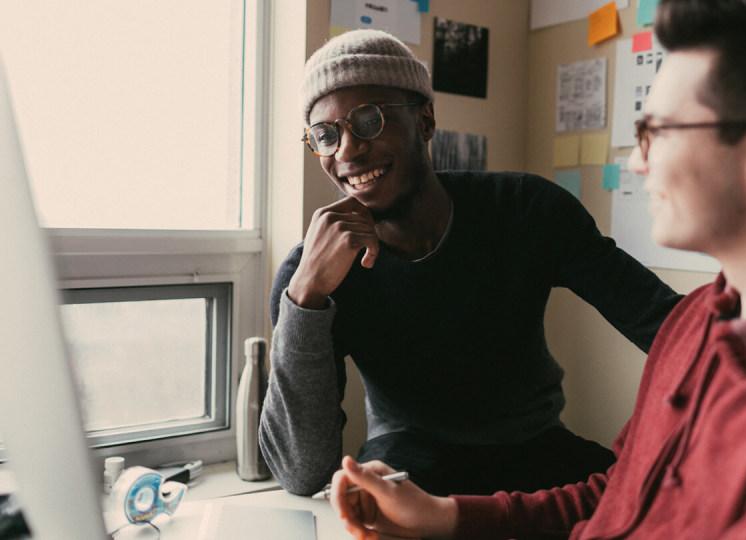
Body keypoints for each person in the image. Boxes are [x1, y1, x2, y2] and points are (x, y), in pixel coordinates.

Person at [328, 1, 746, 538]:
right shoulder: (696, 324)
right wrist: (449, 516)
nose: (636, 164)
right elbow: (619, 494)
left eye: (656, 132)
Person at [259, 29, 682, 497]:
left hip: (539, 452)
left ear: (425, 121)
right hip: (407, 465)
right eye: (326, 135)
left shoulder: (524, 209)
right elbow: (303, 472)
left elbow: (667, 325)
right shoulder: (310, 275)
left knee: (660, 506)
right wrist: (305, 297)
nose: (348, 150)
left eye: (368, 120)